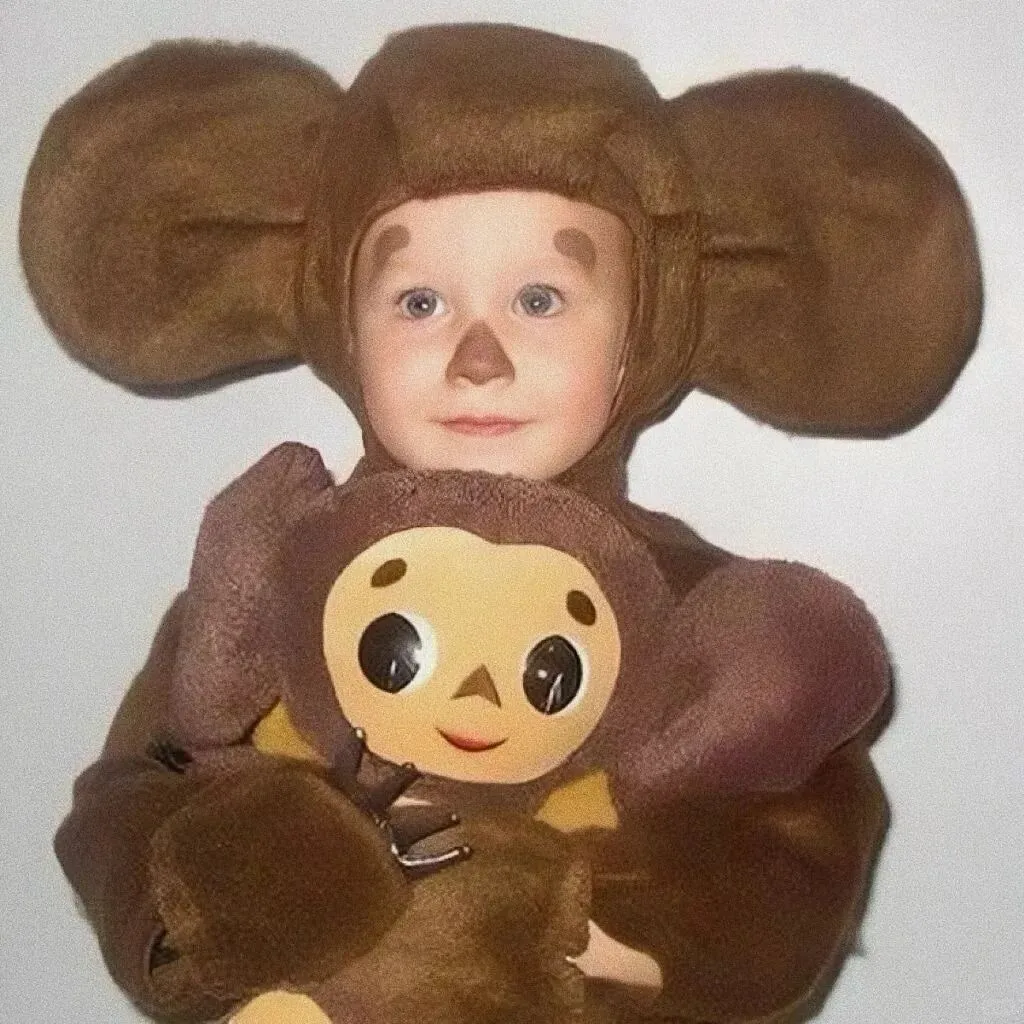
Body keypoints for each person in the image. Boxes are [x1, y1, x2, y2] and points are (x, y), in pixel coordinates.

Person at [21, 22, 980, 1024]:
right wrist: (230, 898)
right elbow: (129, 803)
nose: (479, 357)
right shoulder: (267, 576)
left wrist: (574, 932)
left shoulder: (706, 620)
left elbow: (795, 849)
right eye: (419, 301)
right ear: (338, 313)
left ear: (645, 320)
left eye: (540, 297)